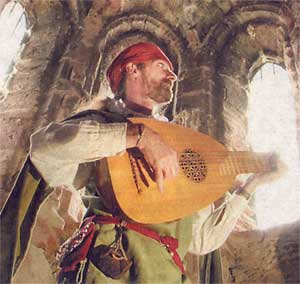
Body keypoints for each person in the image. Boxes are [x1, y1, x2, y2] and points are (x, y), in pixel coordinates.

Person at [29, 42, 280, 284]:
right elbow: (43, 148)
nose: (173, 76)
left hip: (167, 273)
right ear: (132, 69)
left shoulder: (179, 148)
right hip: (112, 266)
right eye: (162, 66)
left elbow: (201, 240)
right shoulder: (103, 122)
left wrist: (249, 188)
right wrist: (140, 137)